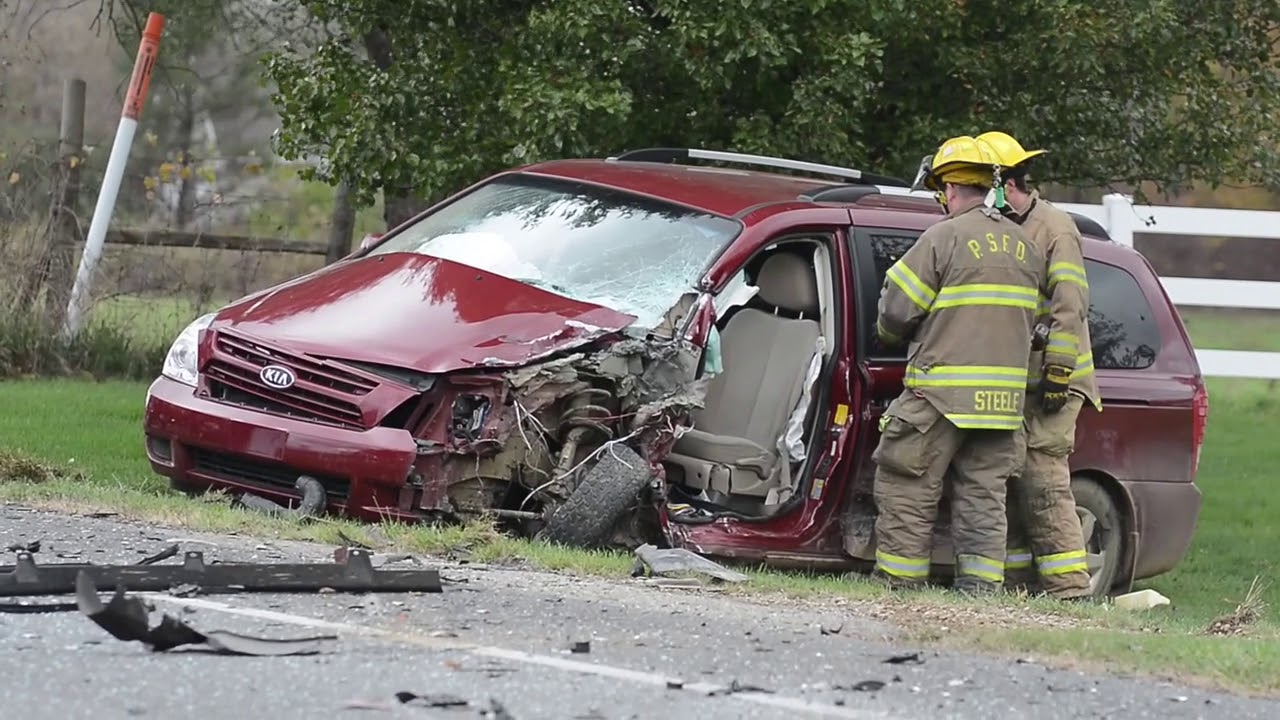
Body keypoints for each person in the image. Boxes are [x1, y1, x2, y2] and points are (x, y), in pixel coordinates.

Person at [871, 136, 1048, 594]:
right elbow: (1034, 322)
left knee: (906, 484)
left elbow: (896, 313)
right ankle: (980, 593)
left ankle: (898, 586)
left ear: (949, 188)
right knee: (984, 498)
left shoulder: (942, 238)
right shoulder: (1024, 245)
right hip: (1002, 405)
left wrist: (888, 335)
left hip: (940, 397)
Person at [975, 130, 1100, 600]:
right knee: (1013, 482)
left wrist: (1058, 371)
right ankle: (1020, 588)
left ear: (1005, 185)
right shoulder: (1003, 227)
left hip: (1055, 381)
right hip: (1019, 379)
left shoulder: (1054, 229)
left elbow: (1070, 306)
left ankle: (1069, 591)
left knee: (1044, 481)